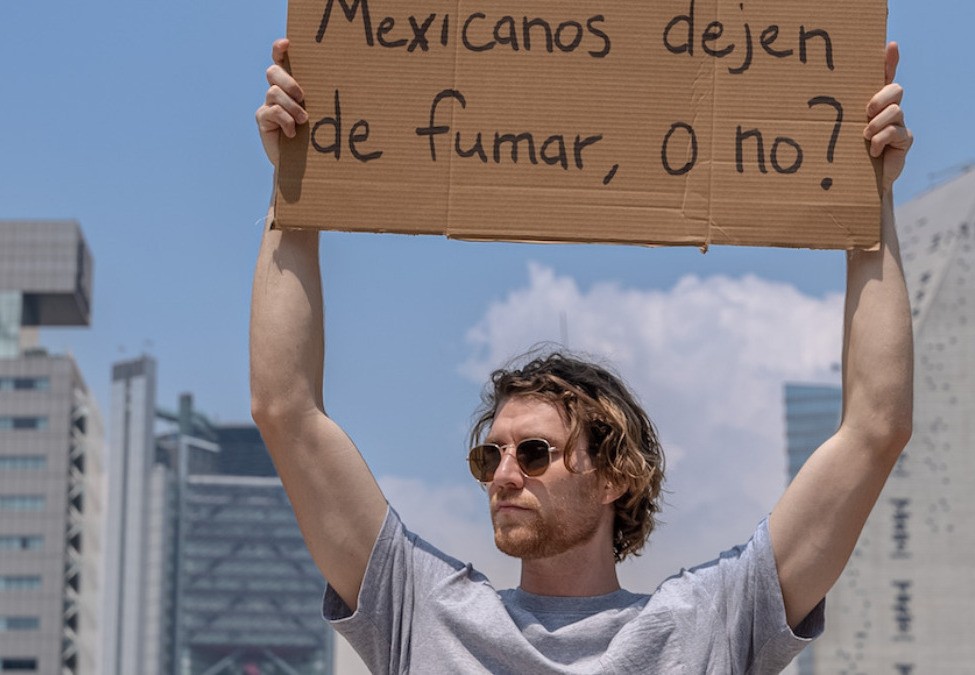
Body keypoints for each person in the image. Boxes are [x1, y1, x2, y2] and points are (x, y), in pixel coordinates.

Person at [251, 37, 914, 674]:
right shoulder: (422, 611)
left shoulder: (709, 622)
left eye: (534, 452)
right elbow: (285, 409)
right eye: (490, 455)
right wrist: (294, 182)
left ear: (613, 477)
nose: (503, 475)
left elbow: (875, 430)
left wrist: (871, 198)